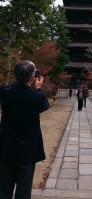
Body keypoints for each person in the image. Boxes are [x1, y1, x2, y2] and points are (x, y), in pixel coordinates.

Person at [0, 60, 49, 199]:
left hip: (5, 147)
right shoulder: (37, 96)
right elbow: (44, 106)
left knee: (3, 190)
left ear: (15, 75)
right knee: (23, 191)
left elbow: (9, 88)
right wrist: (38, 88)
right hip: (27, 151)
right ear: (33, 77)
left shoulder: (4, 91)